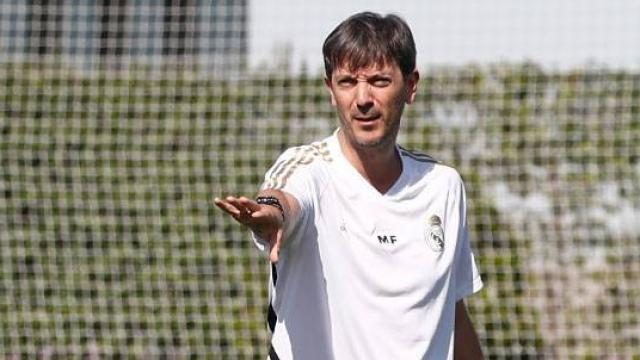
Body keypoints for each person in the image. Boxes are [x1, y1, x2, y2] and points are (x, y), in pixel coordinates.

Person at [214, 11, 484, 360]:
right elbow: (285, 199)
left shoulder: (443, 187)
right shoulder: (310, 169)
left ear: (411, 85)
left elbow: (452, 312)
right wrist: (270, 213)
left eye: (379, 81)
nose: (362, 98)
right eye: (347, 82)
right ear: (331, 90)